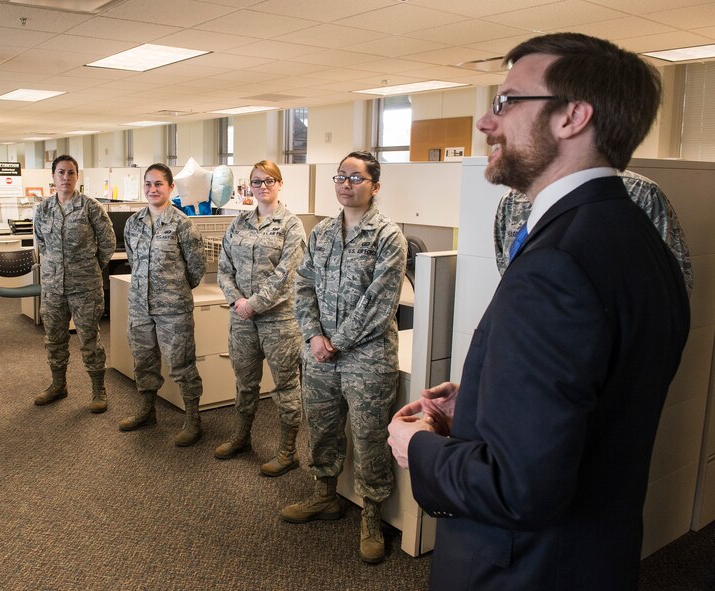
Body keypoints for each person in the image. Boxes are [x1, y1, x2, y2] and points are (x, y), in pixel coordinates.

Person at [387, 33, 690, 590]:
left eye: (506, 101)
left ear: (573, 116)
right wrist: (484, 397)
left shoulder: (559, 261)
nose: (485, 121)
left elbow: (517, 488)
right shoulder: (634, 237)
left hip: (524, 568)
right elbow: (601, 394)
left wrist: (419, 447)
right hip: (593, 555)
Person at [281, 151, 407, 564]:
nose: (345, 184)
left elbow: (380, 302)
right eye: (340, 177)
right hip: (320, 353)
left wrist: (336, 341)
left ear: (375, 184)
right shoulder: (321, 233)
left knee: (370, 436)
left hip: (367, 357)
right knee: (322, 426)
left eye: (355, 177)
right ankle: (325, 496)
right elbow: (303, 287)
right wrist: (315, 335)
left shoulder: (388, 236)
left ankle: (371, 514)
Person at [214, 160, 306, 476]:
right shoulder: (238, 223)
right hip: (241, 320)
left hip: (279, 322)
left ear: (280, 184)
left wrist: (253, 303)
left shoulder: (292, 225)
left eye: (269, 181)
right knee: (244, 383)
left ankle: (288, 450)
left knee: (285, 386)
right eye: (256, 182)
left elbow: (287, 274)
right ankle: (242, 437)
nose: (263, 187)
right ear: (249, 186)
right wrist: (237, 301)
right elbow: (224, 268)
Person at [118, 163, 206, 447]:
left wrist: (173, 290)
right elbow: (133, 260)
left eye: (158, 184)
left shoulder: (182, 224)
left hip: (173, 308)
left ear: (170, 187)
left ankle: (193, 418)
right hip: (140, 306)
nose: (152, 189)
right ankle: (147, 410)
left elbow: (196, 268)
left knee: (181, 364)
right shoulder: (133, 223)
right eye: (148, 184)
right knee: (143, 360)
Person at [494, 170, 693, 293]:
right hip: (532, 336)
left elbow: (675, 282)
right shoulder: (514, 199)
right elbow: (507, 269)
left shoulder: (639, 192)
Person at [32, 155, 116, 413]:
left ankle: (98, 390)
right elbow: (41, 243)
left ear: (77, 176)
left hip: (85, 287)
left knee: (89, 338)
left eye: (70, 173)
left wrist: (89, 267)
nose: (65, 177)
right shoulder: (44, 209)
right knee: (54, 339)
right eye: (60, 172)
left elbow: (108, 243)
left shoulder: (90, 207)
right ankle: (58, 385)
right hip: (53, 287)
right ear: (53, 177)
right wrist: (55, 267)